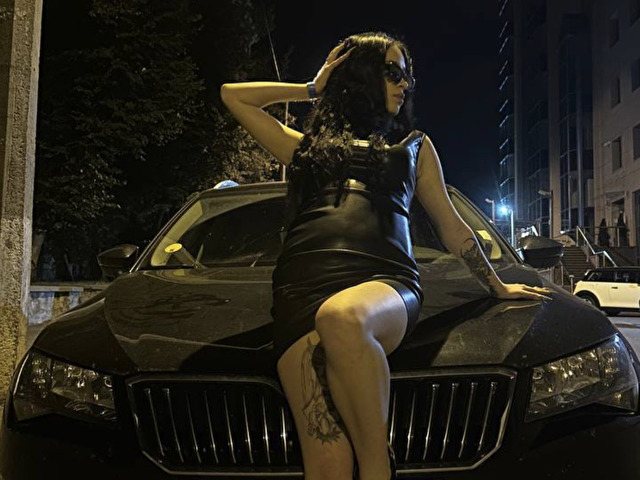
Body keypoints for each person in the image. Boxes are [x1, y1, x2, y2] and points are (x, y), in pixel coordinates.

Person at [221, 31, 552, 480]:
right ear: (360, 75)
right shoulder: (305, 148)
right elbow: (234, 96)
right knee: (327, 468)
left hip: (383, 285)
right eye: (393, 72)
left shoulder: (414, 148)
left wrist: (497, 285)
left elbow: (451, 225)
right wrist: (312, 88)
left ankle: (379, 467)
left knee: (342, 318)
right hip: (301, 293)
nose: (405, 84)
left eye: (407, 75)